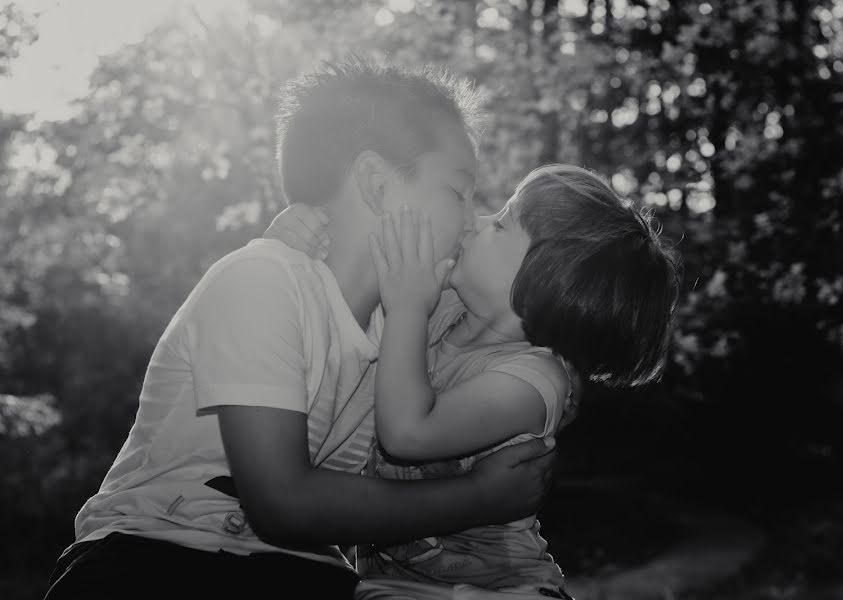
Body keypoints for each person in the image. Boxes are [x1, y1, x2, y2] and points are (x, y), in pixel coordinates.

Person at [44, 58, 556, 600]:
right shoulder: (263, 280)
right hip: (159, 554)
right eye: (458, 192)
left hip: (302, 571)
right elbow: (281, 503)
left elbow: (519, 309)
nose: (473, 220)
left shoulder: (409, 324)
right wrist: (478, 497)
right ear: (378, 186)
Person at [277, 164, 680, 599]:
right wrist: (298, 240)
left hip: (502, 590)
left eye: (502, 223)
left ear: (544, 277)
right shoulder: (443, 309)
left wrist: (408, 308)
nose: (477, 221)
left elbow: (407, 433)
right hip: (395, 583)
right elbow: (343, 312)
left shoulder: (534, 381)